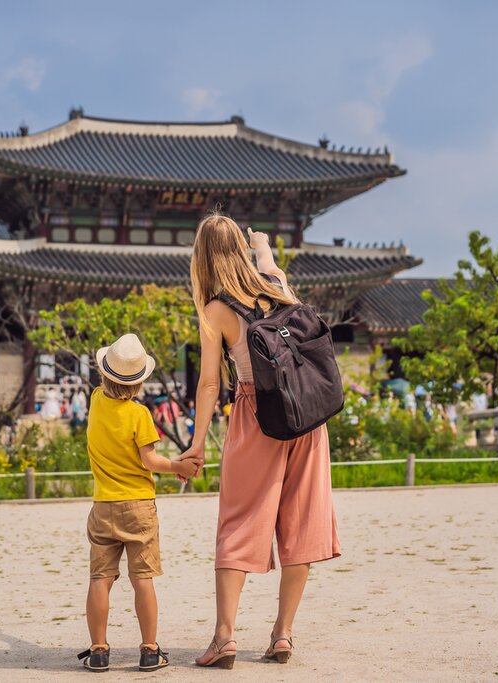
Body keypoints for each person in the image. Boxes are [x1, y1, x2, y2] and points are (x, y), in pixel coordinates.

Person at [178, 216, 340, 668]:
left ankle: (224, 638)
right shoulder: (277, 284)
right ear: (241, 250)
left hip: (255, 415)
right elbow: (268, 262)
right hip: (307, 416)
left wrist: (197, 443)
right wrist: (261, 245)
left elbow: (209, 384)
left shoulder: (216, 309)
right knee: (302, 521)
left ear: (203, 257)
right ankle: (283, 634)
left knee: (239, 522)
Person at [78, 333, 197, 673]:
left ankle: (99, 650)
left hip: (103, 505)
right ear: (139, 381)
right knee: (142, 578)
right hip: (139, 506)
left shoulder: (96, 401)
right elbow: (149, 460)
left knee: (100, 578)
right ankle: (149, 649)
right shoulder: (139, 414)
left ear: (105, 375)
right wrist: (178, 467)